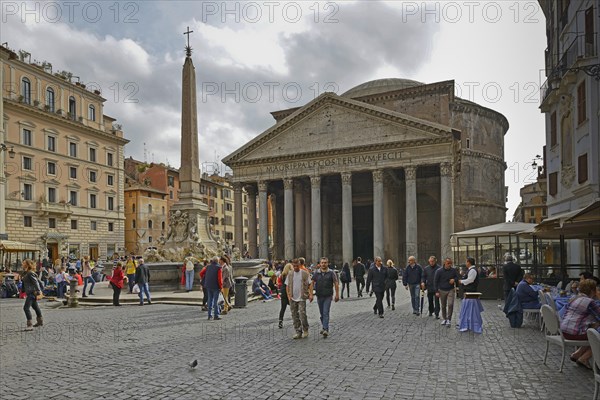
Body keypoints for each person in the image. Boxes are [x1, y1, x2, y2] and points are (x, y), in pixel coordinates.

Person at [560, 279, 600, 369]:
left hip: (565, 330)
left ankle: (577, 354)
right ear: (592, 290)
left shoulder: (575, 298)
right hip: (574, 333)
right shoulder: (590, 302)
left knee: (594, 330)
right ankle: (584, 358)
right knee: (596, 337)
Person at [312, 257, 340, 337]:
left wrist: (337, 294)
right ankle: (324, 326)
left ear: (328, 263)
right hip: (319, 295)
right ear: (320, 264)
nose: (323, 264)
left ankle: (325, 329)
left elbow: (336, 283)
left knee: (325, 312)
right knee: (322, 313)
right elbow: (312, 282)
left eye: (325, 263)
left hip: (328, 295)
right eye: (322, 263)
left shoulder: (331, 273)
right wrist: (310, 294)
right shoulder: (316, 273)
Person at [286, 261, 313, 339]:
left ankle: (305, 329)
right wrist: (288, 295)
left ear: (299, 265)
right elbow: (287, 285)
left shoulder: (304, 273)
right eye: (294, 266)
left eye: (297, 266)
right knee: (294, 315)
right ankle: (298, 331)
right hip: (292, 297)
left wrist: (311, 294)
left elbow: (310, 284)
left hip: (302, 297)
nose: (295, 267)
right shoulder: (290, 274)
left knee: (302, 314)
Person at [434, 258, 460, 327]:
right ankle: (444, 318)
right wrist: (436, 291)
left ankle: (449, 319)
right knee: (443, 305)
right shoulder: (439, 271)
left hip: (450, 289)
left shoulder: (453, 270)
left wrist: (454, 279)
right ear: (444, 263)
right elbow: (435, 281)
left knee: (450, 304)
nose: (450, 265)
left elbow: (458, 277)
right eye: (448, 263)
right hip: (441, 290)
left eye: (450, 263)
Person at [21, 259, 43, 331]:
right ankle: (40, 322)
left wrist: (38, 291)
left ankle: (30, 325)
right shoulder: (26, 273)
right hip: (30, 292)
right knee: (35, 307)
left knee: (26, 308)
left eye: (24, 263)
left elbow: (36, 282)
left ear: (27, 264)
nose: (22, 264)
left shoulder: (30, 273)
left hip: (32, 292)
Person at [200, 256, 223, 320]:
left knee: (210, 300)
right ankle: (216, 315)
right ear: (217, 261)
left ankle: (209, 315)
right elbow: (219, 278)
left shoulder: (207, 267)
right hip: (216, 286)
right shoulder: (219, 268)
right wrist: (221, 287)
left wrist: (205, 278)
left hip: (208, 285)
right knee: (216, 301)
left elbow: (201, 273)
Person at [278, 263, 293, 329]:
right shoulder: (290, 275)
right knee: (293, 307)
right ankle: (296, 320)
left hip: (283, 292)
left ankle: (280, 321)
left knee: (283, 308)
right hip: (289, 292)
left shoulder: (282, 275)